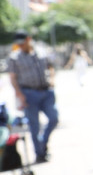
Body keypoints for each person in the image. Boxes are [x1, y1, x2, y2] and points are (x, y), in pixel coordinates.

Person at [7, 31, 57, 164]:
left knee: (54, 118)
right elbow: (13, 78)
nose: (20, 46)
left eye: (22, 43)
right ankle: (40, 153)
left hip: (46, 92)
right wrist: (20, 95)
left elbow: (50, 67)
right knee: (34, 126)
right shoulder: (14, 57)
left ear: (29, 39)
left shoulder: (41, 52)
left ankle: (43, 142)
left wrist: (52, 80)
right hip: (28, 93)